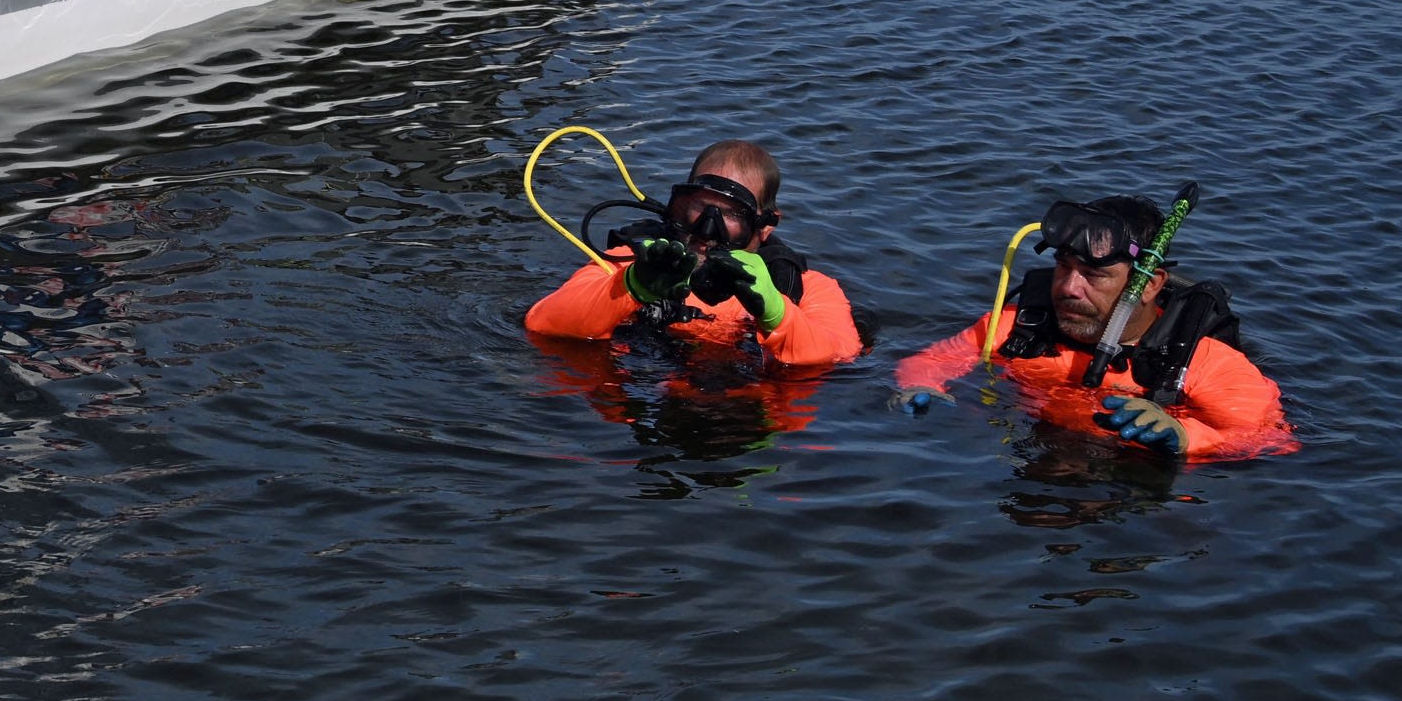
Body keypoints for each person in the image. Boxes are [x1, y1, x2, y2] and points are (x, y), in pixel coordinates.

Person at [892, 196, 1295, 460]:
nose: (1068, 287)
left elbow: (1270, 440)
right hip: (1028, 456)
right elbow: (935, 360)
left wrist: (1187, 436)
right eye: (1063, 267)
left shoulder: (1205, 363)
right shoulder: (1018, 327)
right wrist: (923, 385)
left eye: (1093, 275)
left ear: (1150, 285)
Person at [524, 139, 865, 370]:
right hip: (642, 403)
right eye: (696, 208)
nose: (706, 229)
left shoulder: (805, 287)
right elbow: (543, 323)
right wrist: (633, 286)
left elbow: (842, 353)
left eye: (731, 216)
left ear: (764, 226)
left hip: (748, 416)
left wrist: (776, 311)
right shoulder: (627, 260)